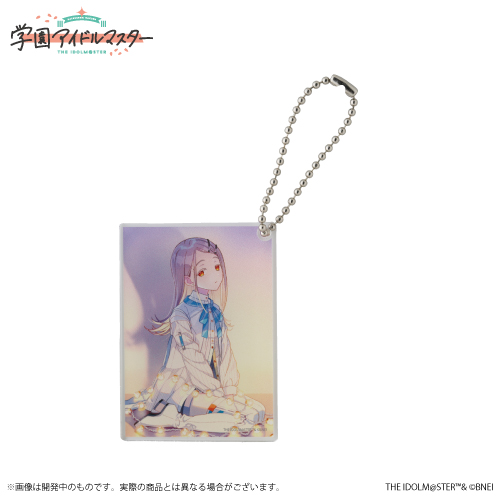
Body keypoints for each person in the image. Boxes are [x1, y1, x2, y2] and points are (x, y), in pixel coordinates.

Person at [125, 237, 265, 434]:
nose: (215, 275)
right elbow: (192, 357)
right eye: (202, 271)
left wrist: (229, 389)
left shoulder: (214, 311)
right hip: (182, 390)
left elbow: (225, 353)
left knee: (258, 411)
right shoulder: (180, 315)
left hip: (210, 388)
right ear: (188, 279)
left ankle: (185, 416)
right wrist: (215, 390)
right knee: (243, 417)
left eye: (217, 267)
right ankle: (178, 419)